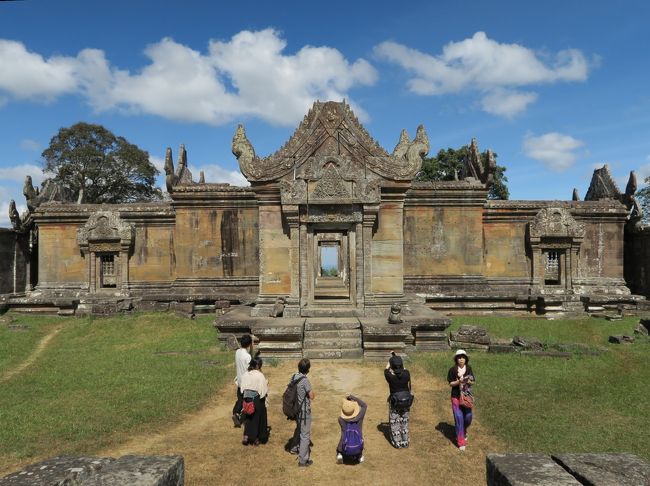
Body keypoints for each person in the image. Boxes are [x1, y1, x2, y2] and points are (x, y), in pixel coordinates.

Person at [447, 349, 475, 452]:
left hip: (467, 397)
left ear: (466, 359)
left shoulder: (469, 368)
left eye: (463, 357)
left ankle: (463, 430)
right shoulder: (452, 370)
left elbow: (473, 381)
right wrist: (459, 381)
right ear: (456, 359)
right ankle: (461, 441)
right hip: (455, 396)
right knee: (459, 417)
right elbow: (450, 383)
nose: (461, 359)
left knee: (468, 417)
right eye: (459, 357)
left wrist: (468, 381)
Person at [289, 358, 315, 467]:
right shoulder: (305, 380)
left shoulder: (294, 376)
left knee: (299, 429)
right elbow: (311, 396)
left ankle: (294, 447)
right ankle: (303, 461)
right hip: (304, 412)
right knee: (305, 435)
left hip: (296, 409)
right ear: (308, 369)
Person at [239, 355, 269, 445]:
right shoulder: (260, 375)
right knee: (258, 417)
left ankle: (246, 436)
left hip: (246, 398)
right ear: (258, 366)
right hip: (256, 399)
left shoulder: (245, 374)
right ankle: (256, 438)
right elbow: (263, 392)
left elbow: (242, 388)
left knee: (248, 417)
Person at [384, 352, 411, 448]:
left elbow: (386, 369)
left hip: (395, 401)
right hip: (406, 401)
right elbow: (404, 369)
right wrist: (397, 358)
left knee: (395, 421)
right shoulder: (407, 374)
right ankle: (405, 441)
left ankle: (397, 442)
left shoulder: (390, 377)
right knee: (404, 421)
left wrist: (390, 361)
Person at [336, 395, 368, 464]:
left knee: (343, 435)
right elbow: (364, 405)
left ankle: (340, 454)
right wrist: (354, 398)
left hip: (345, 446)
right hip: (357, 445)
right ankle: (359, 457)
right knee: (360, 438)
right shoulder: (359, 417)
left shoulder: (340, 419)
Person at [232, 334, 253, 427]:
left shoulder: (237, 352)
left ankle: (236, 413)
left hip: (239, 380)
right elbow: (251, 368)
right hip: (246, 382)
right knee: (248, 401)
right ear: (249, 344)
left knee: (240, 399)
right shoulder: (247, 357)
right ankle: (248, 418)